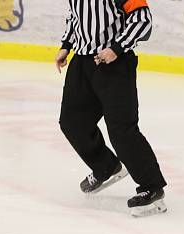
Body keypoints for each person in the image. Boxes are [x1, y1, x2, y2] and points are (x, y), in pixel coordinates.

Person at [55, 0, 167, 217]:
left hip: (115, 63)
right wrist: (66, 45)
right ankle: (106, 166)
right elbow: (75, 15)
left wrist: (116, 47)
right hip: (83, 62)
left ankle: (152, 187)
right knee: (72, 122)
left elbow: (143, 20)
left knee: (121, 129)